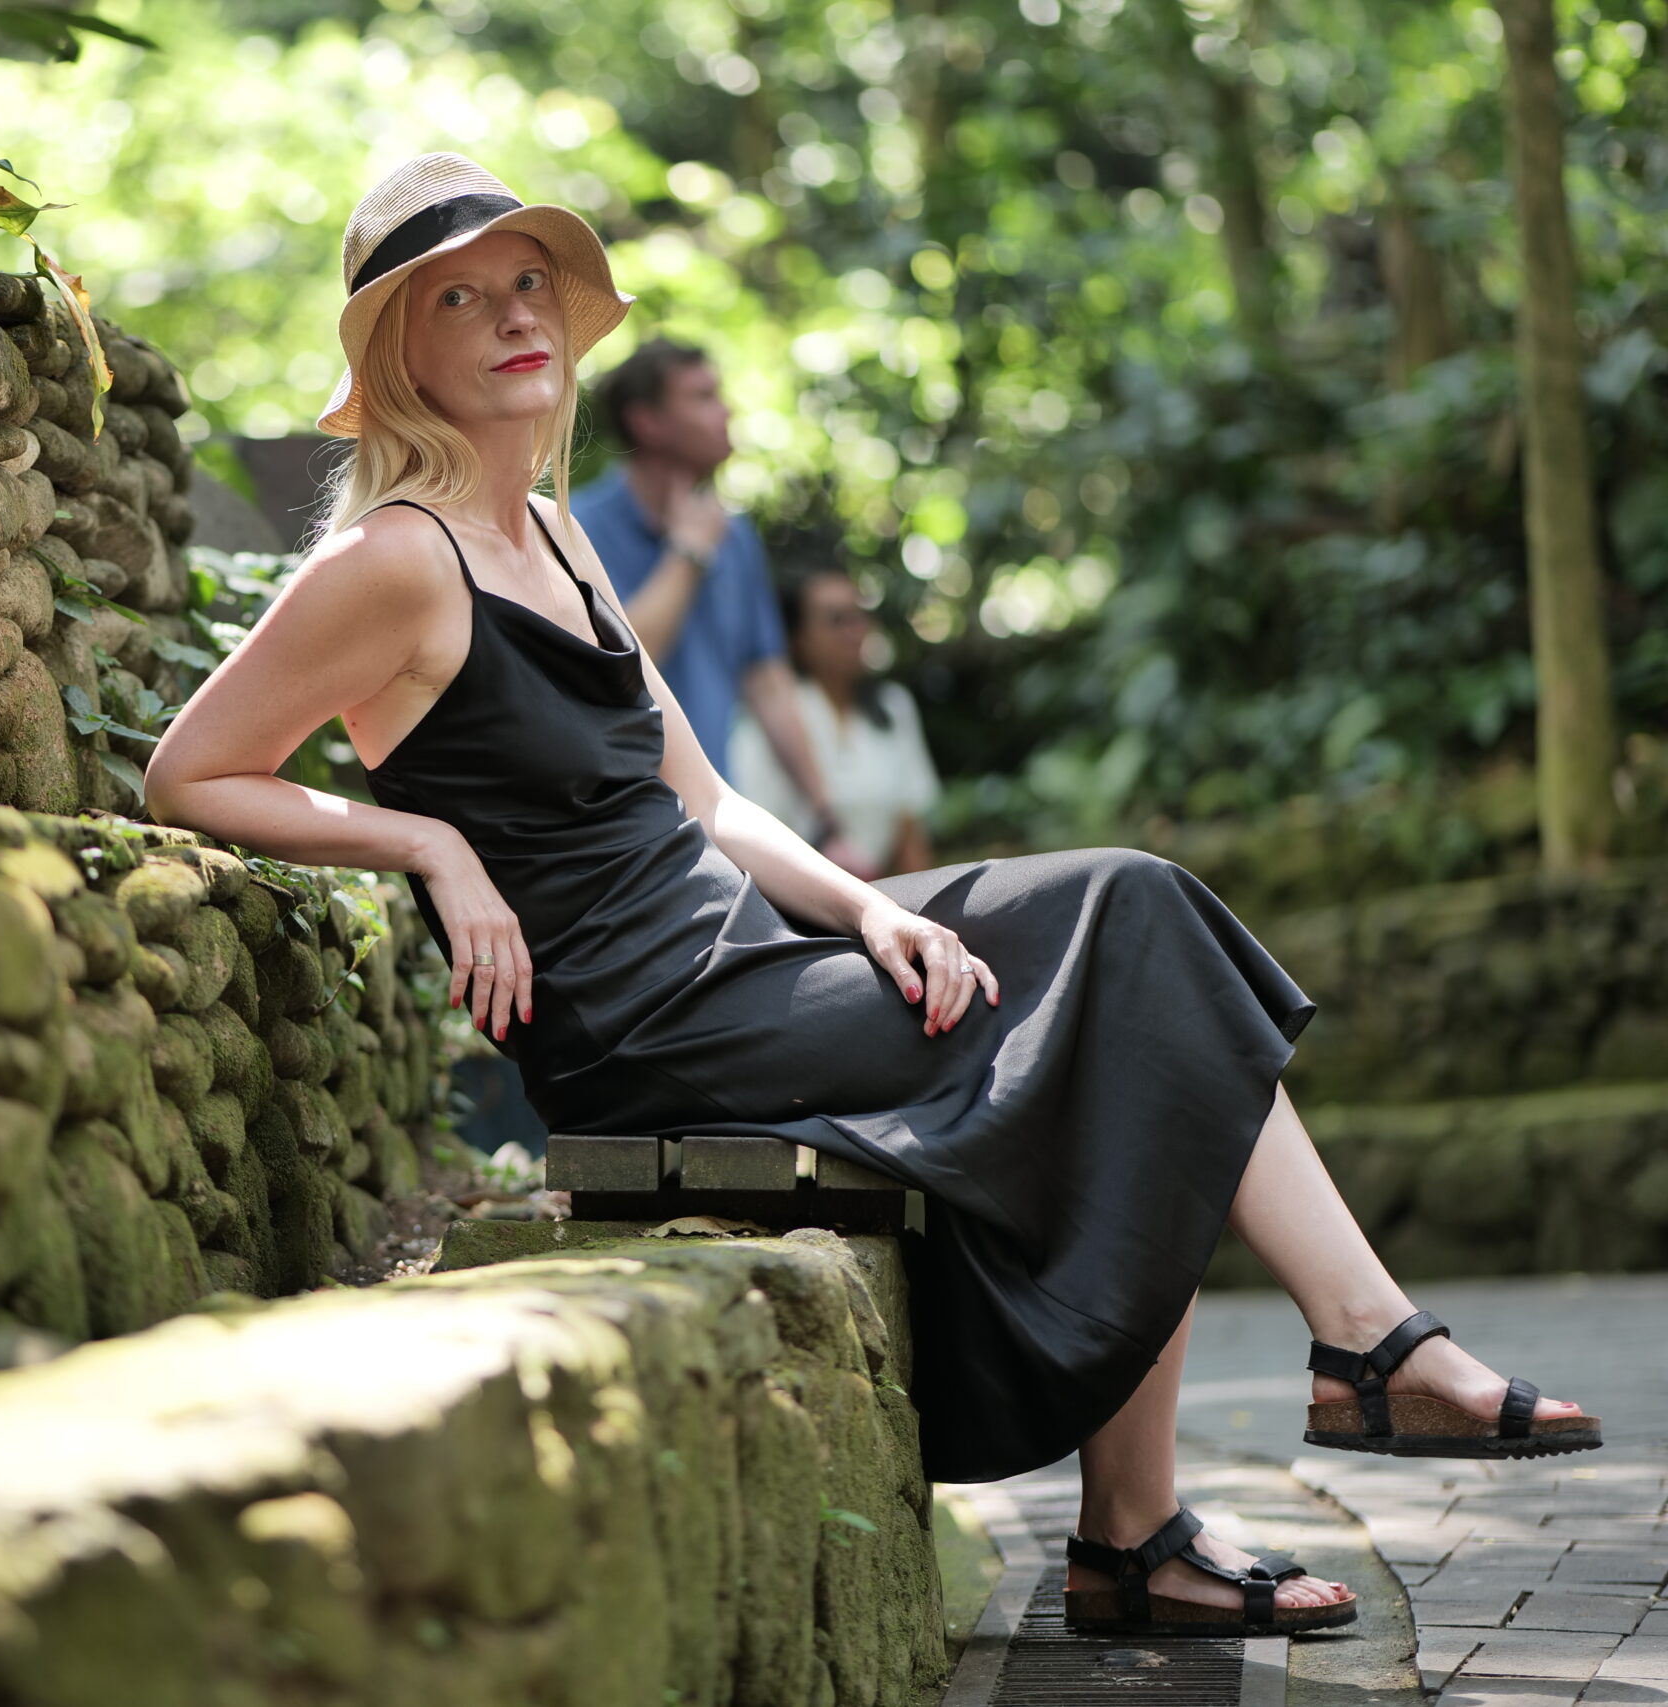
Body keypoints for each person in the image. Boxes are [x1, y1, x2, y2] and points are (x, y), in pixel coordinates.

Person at [145, 153, 1600, 1639]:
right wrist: (432, 848)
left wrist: (871, 909)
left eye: (529, 284)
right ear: (399, 348)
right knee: (1122, 989)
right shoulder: (392, 560)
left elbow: (704, 799)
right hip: (650, 1021)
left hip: (750, 956)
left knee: (1139, 904)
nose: (515, 316)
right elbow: (191, 773)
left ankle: (1308, 1386)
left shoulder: (561, 535)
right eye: (459, 296)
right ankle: (1220, 1465)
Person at [575, 342, 838, 837]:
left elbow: (768, 683)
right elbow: (618, 669)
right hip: (624, 825)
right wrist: (688, 553)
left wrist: (828, 817)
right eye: (703, 397)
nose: (727, 411)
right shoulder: (577, 529)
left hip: (718, 816)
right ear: (647, 422)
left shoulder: (734, 534)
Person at [728, 568, 940, 878]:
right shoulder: (776, 715)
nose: (855, 631)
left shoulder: (893, 706)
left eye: (860, 616)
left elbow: (909, 830)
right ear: (798, 638)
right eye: (836, 620)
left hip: (882, 898)